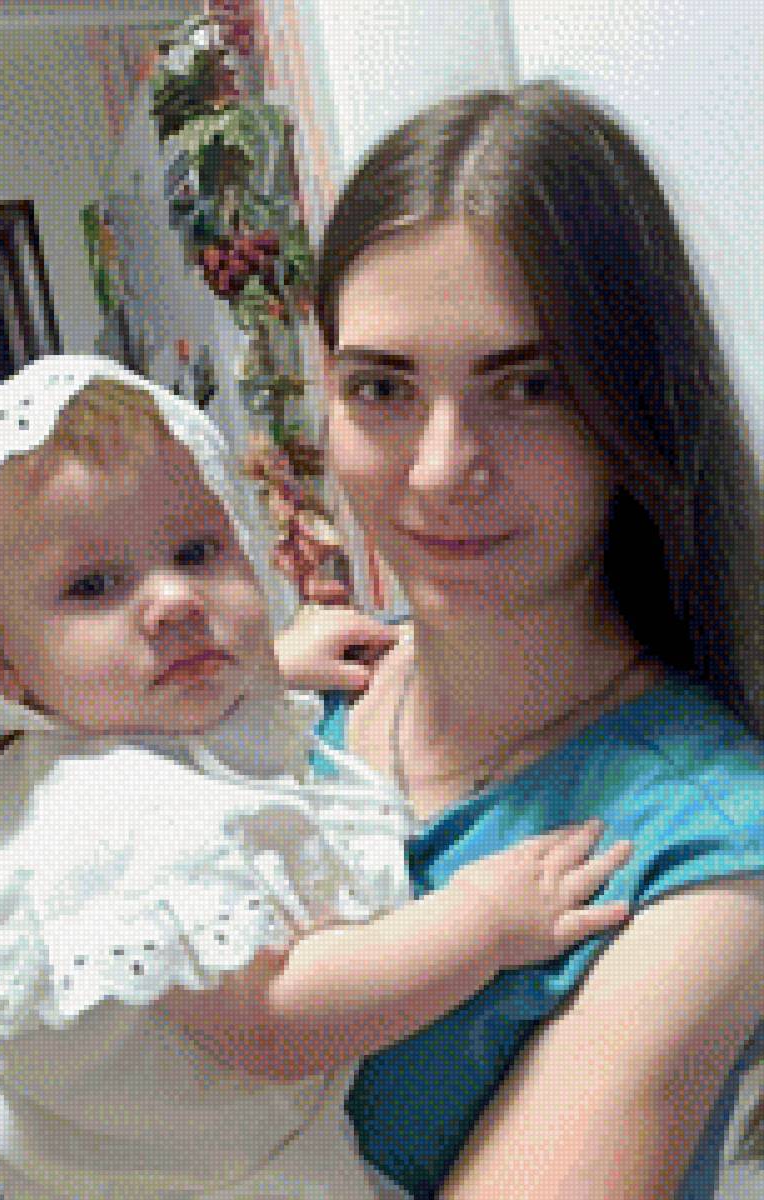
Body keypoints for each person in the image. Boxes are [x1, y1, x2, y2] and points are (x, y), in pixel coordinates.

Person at [0, 355, 632, 1199]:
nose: (174, 601)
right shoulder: (111, 819)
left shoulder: (97, 742)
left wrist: (268, 664)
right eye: (93, 586)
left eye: (197, 551)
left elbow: (182, 732)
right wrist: (484, 924)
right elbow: (278, 1020)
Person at [260, 81, 764, 1199]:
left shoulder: (707, 856)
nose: (442, 469)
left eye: (530, 386)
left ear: (636, 403)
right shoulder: (298, 704)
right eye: (381, 386)